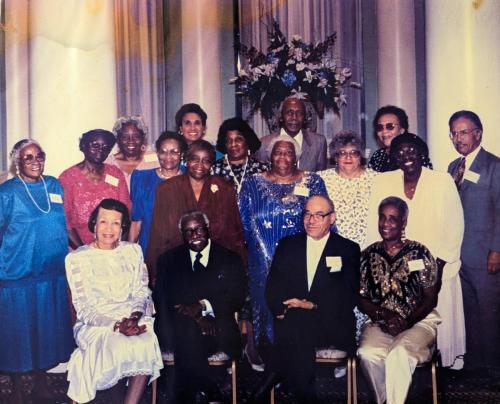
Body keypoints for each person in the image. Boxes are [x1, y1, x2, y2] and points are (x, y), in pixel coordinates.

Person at [365, 133, 465, 369]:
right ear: (392, 156)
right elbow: (374, 222)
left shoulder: (441, 180)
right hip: (394, 264)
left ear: (422, 152)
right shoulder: (383, 181)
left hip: (438, 264)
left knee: (434, 318)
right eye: (400, 151)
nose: (406, 156)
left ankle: (443, 365)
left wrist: (436, 270)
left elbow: (454, 225)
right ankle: (398, 360)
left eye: (412, 150)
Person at [259, 195, 359, 403]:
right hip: (292, 319)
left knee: (297, 327)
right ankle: (306, 397)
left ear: (332, 218)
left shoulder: (348, 249)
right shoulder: (288, 245)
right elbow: (273, 286)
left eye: (318, 215)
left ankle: (264, 387)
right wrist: (281, 309)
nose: (310, 220)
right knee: (297, 323)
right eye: (307, 214)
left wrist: (311, 305)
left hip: (331, 322)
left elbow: (348, 296)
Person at [238, 135, 327, 367]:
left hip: (300, 261)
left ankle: (294, 365)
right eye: (278, 152)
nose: (283, 157)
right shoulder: (252, 184)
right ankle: (268, 360)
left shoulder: (312, 181)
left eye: (289, 152)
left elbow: (324, 217)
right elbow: (243, 223)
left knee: (295, 309)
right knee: (265, 310)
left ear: (297, 157)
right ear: (269, 156)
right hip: (261, 262)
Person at [65, 199, 163, 404]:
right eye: (103, 222)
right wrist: (116, 325)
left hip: (133, 317)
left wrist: (135, 317)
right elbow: (84, 308)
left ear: (123, 227)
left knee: (145, 342)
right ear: (94, 224)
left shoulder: (133, 251)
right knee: (118, 344)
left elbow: (141, 291)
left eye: (116, 223)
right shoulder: (78, 259)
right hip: (96, 323)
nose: (109, 229)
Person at [0, 139, 74, 403]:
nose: (34, 161)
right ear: (17, 162)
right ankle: (19, 392)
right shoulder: (7, 192)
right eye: (27, 157)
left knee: (45, 334)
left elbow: (62, 226)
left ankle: (41, 386)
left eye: (38, 156)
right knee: (19, 336)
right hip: (17, 276)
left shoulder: (53, 185)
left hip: (51, 275)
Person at [154, 210, 246, 403]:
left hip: (218, 328)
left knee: (188, 340)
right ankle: (207, 388)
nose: (194, 236)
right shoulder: (168, 261)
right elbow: (162, 300)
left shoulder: (229, 259)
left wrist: (203, 306)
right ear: (182, 234)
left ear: (208, 228)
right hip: (179, 328)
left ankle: (190, 394)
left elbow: (236, 298)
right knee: (188, 332)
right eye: (188, 231)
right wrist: (197, 319)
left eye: (198, 229)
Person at [358, 197, 441, 404]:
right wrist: (383, 315)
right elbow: (360, 297)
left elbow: (430, 298)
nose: (386, 224)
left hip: (420, 321)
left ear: (403, 222)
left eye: (393, 219)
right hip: (380, 322)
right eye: (382, 218)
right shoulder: (367, 255)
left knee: (399, 354)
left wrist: (407, 321)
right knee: (367, 353)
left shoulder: (419, 253)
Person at [147, 139, 245, 285]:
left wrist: (240, 269)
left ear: (212, 164)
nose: (200, 165)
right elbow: (157, 234)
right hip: (177, 267)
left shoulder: (224, 189)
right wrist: (154, 271)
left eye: (206, 161)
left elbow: (234, 232)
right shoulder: (167, 189)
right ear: (186, 160)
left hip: (215, 266)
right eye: (195, 159)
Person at [447, 110, 500, 372]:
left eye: (464, 132)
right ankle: (476, 365)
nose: (458, 138)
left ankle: (493, 369)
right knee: (468, 312)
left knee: (490, 314)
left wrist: (497, 251)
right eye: (454, 133)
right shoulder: (453, 167)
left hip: (485, 254)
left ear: (478, 134)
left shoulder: (494, 166)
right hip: (460, 256)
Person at [59, 129, 131, 249]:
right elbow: (65, 222)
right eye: (95, 145)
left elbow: (126, 214)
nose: (100, 150)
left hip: (113, 247)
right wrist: (86, 252)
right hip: (80, 248)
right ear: (83, 146)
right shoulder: (67, 178)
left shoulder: (115, 173)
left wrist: (117, 248)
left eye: (105, 147)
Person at [129, 131, 187, 254]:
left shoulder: (190, 178)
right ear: (157, 153)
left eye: (174, 151)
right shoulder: (142, 179)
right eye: (163, 151)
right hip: (151, 248)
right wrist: (130, 253)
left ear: (182, 154)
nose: (168, 156)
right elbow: (136, 222)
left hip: (182, 249)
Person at [319, 130, 377, 246]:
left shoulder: (376, 178)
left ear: (360, 156)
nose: (348, 157)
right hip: (334, 246)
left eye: (354, 153)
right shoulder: (322, 178)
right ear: (335, 157)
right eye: (342, 153)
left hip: (369, 245)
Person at [256, 96, 327, 171]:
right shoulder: (264, 144)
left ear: (305, 118)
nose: (294, 118)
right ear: (281, 116)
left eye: (299, 113)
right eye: (289, 113)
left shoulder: (318, 143)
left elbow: (321, 177)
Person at [368, 105, 433, 172]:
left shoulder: (414, 153)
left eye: (390, 126)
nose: (384, 131)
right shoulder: (378, 156)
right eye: (380, 127)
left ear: (402, 130)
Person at [213, 117, 269, 193]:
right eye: (228, 140)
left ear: (248, 141)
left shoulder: (263, 168)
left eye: (238, 139)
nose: (233, 144)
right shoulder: (214, 170)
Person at [105, 115, 160, 189]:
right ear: (117, 140)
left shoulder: (154, 159)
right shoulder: (109, 163)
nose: (131, 141)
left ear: (143, 138)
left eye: (136, 136)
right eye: (124, 137)